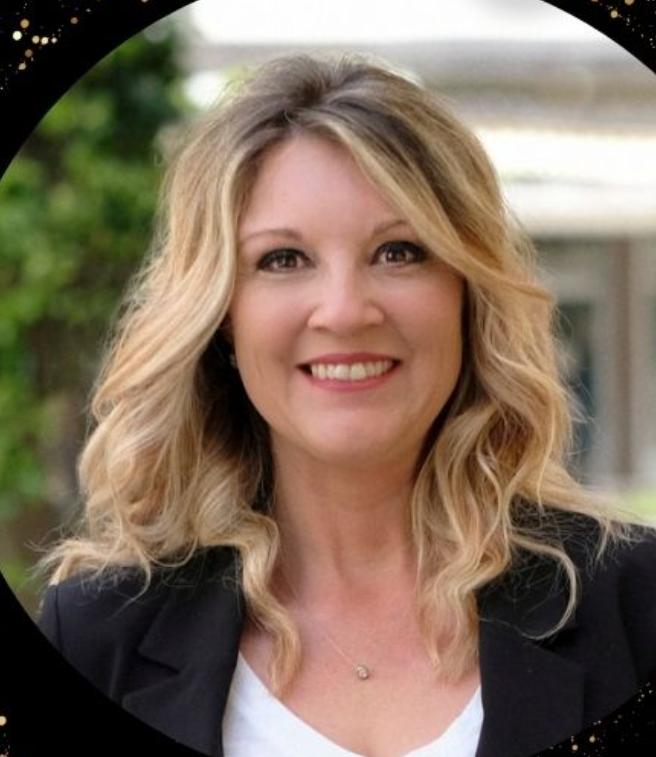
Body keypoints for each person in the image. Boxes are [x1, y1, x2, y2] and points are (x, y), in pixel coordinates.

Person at [37, 53, 656, 757]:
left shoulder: (637, 609)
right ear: (222, 317)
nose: (344, 311)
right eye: (283, 259)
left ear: (467, 295)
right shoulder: (96, 639)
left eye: (398, 252)